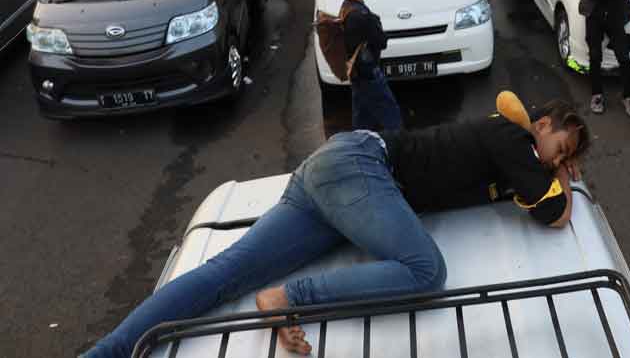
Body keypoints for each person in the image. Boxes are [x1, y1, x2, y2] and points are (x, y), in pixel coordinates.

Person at [82, 96, 590, 358]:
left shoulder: (510, 152)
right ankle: (286, 298)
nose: (557, 162)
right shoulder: (513, 136)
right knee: (425, 270)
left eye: (565, 160)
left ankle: (107, 354)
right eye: (561, 150)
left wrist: (553, 173)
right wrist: (564, 180)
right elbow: (554, 215)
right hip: (363, 170)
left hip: (340, 178)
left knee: (225, 273)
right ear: (541, 125)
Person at [342, 0, 402, 131]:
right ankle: (400, 148)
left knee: (362, 119)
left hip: (357, 74)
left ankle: (360, 147)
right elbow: (381, 41)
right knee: (391, 115)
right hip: (369, 74)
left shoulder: (346, 7)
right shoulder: (361, 16)